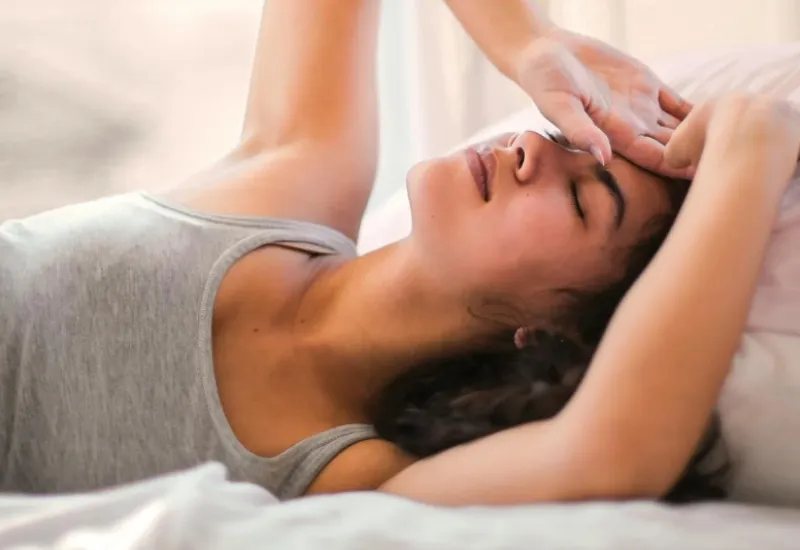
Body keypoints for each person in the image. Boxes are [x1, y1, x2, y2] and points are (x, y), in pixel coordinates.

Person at [1, 0, 798, 507]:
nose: (529, 148)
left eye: (583, 198)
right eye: (561, 137)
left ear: (551, 333)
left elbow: (616, 452)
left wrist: (753, 146)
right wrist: (530, 40)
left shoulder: (354, 479)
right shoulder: (294, 170)